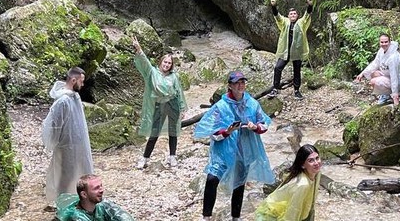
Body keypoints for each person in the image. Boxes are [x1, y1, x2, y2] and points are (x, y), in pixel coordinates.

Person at [195, 70, 276, 221]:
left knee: (239, 183)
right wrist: (227, 131)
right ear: (230, 86)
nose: (240, 85)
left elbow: (264, 124)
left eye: (243, 82)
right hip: (223, 150)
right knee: (212, 179)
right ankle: (206, 216)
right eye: (237, 83)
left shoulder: (252, 103)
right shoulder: (221, 106)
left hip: (244, 148)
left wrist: (255, 127)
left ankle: (235, 217)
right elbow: (213, 133)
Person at [131, 36, 186, 169]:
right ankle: (145, 158)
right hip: (158, 104)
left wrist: (182, 108)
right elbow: (144, 62)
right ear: (160, 62)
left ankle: (172, 156)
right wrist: (139, 49)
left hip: (172, 104)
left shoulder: (174, 77)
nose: (166, 65)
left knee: (173, 131)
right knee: (154, 133)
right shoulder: (152, 73)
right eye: (165, 62)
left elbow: (179, 92)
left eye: (169, 63)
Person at [42, 66, 94, 204]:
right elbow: (55, 125)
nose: (82, 85)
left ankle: (76, 199)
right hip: (65, 146)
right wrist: (54, 144)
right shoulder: (62, 101)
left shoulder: (74, 97)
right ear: (73, 80)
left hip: (76, 144)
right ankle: (62, 204)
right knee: (64, 176)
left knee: (78, 173)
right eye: (81, 81)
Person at [255, 144, 322, 221]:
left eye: (317, 158)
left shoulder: (317, 173)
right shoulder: (302, 184)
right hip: (270, 215)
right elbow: (292, 213)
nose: (316, 163)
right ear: (303, 165)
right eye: (311, 160)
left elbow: (311, 203)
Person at [269, 0, 313, 100]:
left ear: (297, 15)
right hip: (285, 51)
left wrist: (310, 5)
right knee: (278, 68)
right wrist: (273, 6)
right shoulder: (285, 22)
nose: (293, 15)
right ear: (288, 16)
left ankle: (297, 91)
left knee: (297, 70)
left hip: (297, 52)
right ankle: (275, 88)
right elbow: (277, 16)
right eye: (291, 14)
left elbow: (307, 15)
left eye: (294, 14)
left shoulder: (301, 22)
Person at [354, 33, 400, 105]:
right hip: (388, 75)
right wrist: (362, 73)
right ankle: (386, 95)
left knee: (374, 81)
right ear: (379, 42)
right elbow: (375, 63)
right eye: (382, 42)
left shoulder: (393, 57)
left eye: (386, 42)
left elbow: (394, 76)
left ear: (389, 42)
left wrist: (395, 97)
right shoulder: (381, 51)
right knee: (374, 73)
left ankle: (393, 94)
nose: (384, 44)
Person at [55, 174, 135, 221]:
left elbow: (121, 215)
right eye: (96, 188)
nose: (102, 190)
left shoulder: (102, 204)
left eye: (101, 186)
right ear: (84, 194)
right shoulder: (76, 217)